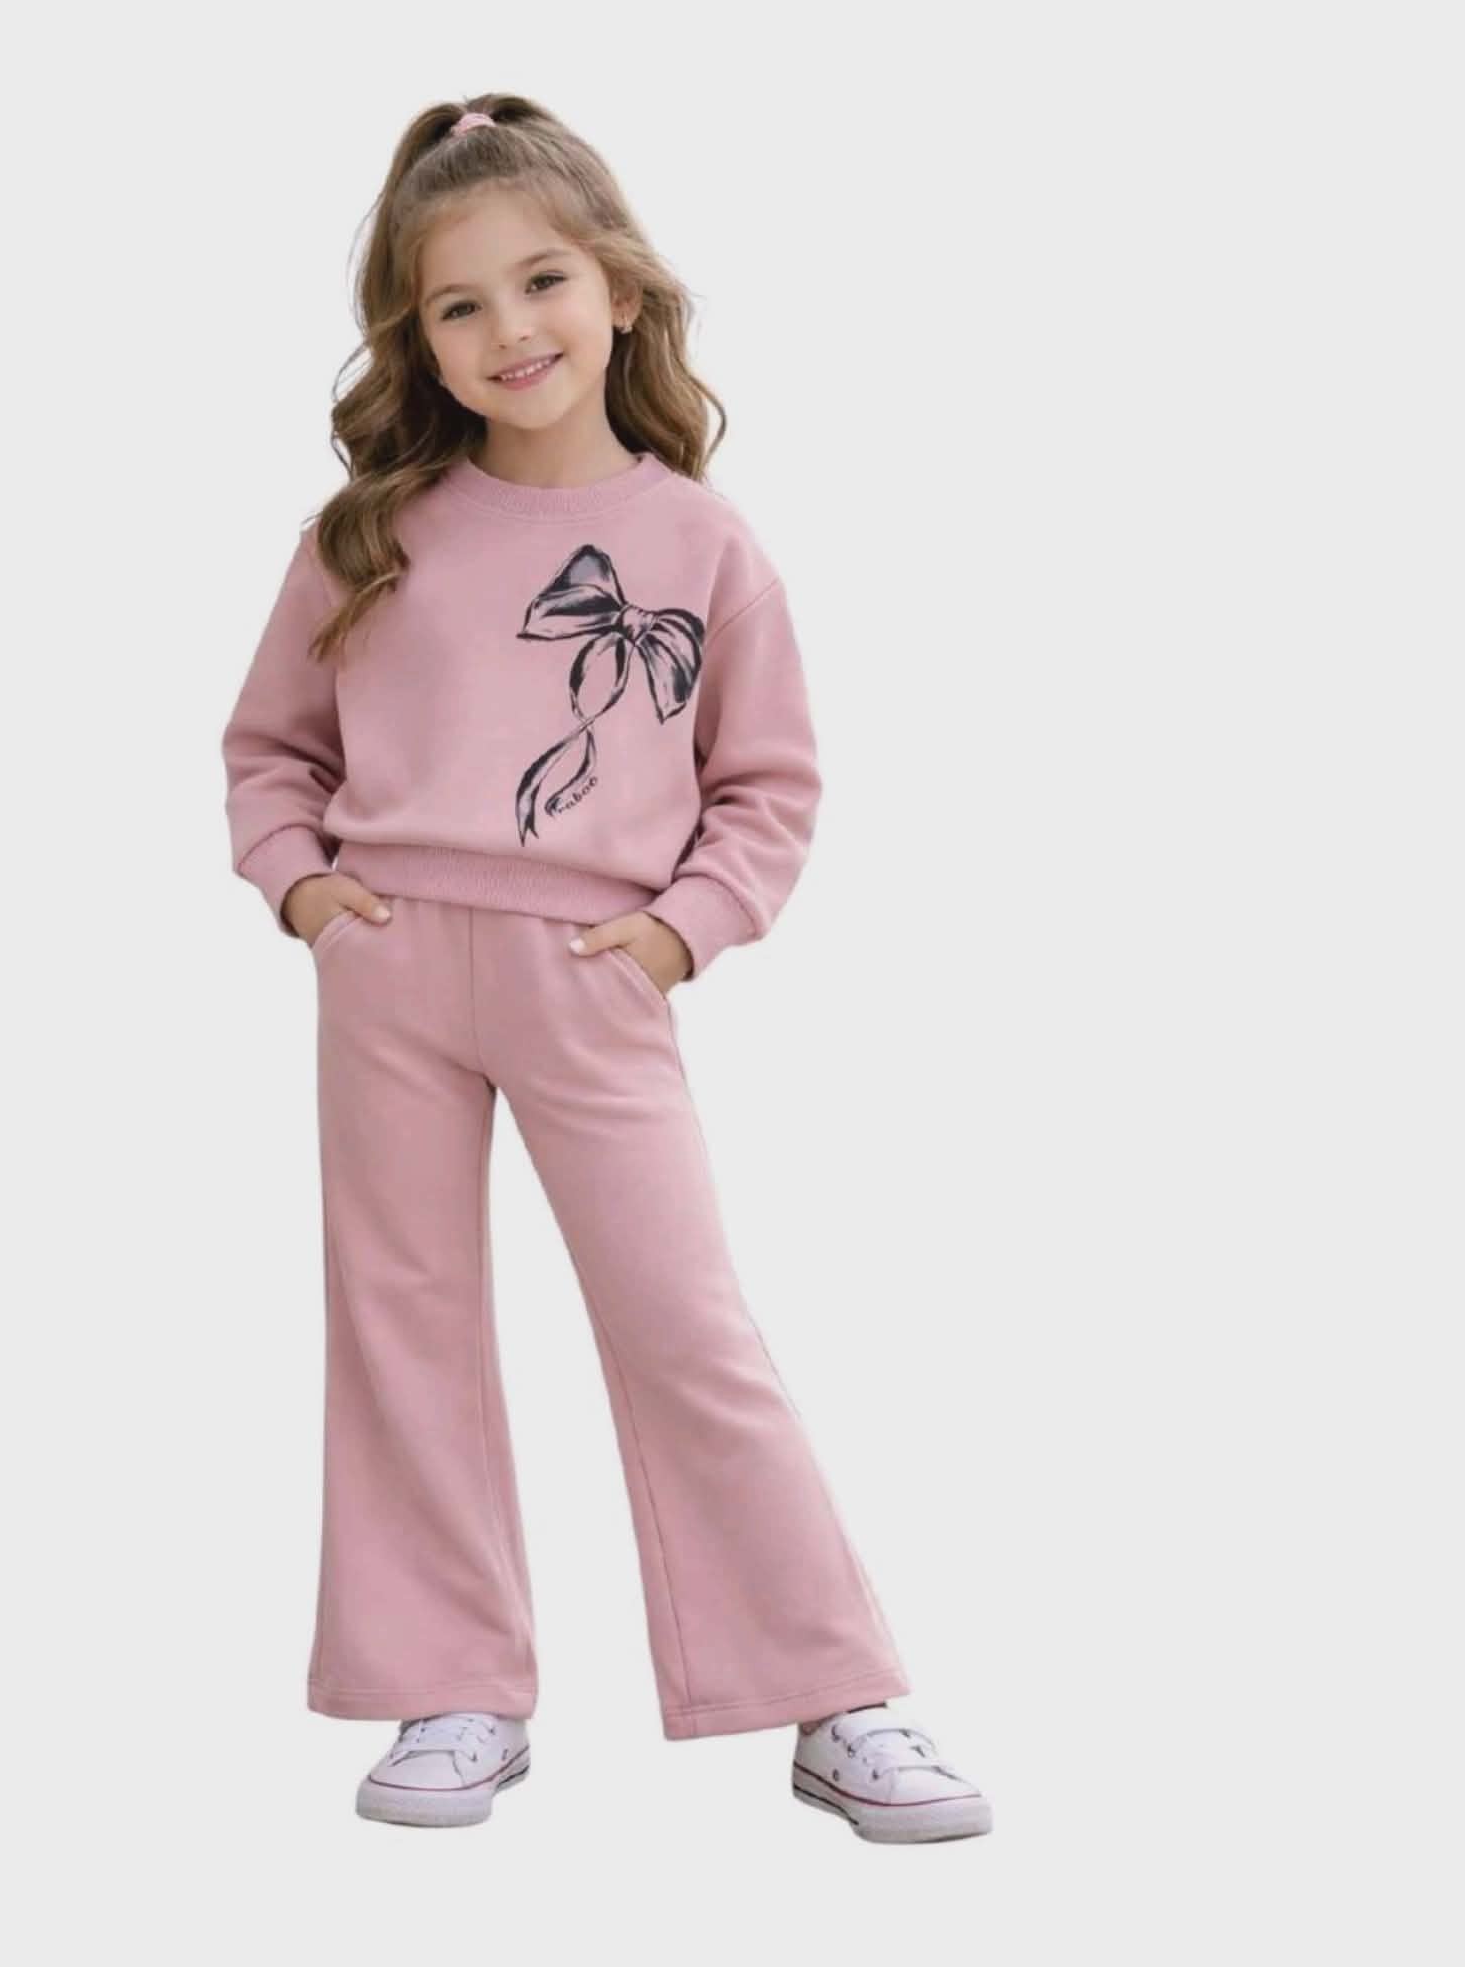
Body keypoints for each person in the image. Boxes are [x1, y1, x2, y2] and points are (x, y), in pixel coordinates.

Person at [219, 95, 991, 1845]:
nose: (511, 328)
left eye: (543, 281)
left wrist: (673, 933)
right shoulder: (366, 533)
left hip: (593, 976)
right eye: (459, 304)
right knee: (401, 1321)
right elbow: (269, 747)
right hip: (389, 967)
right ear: (419, 340)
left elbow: (768, 786)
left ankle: (830, 1692)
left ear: (621, 291)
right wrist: (308, 896)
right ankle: (451, 1685)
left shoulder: (703, 546)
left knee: (683, 1322)